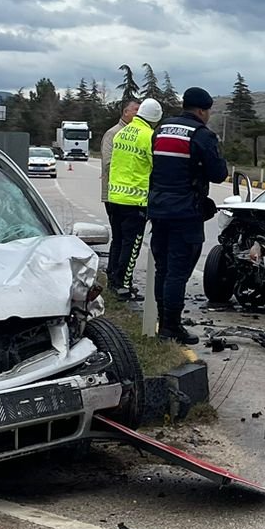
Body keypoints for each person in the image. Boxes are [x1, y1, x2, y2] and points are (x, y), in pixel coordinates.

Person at [146, 87, 229, 345]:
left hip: (158, 208)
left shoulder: (162, 129)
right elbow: (218, 174)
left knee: (163, 268)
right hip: (185, 211)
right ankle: (171, 327)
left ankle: (163, 322)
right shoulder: (202, 135)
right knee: (177, 272)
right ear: (202, 111)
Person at [104, 97, 161, 301]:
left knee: (118, 241)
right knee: (132, 245)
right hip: (135, 200)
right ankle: (123, 286)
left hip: (115, 197)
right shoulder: (149, 136)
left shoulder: (122, 133)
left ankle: (113, 281)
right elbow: (156, 166)